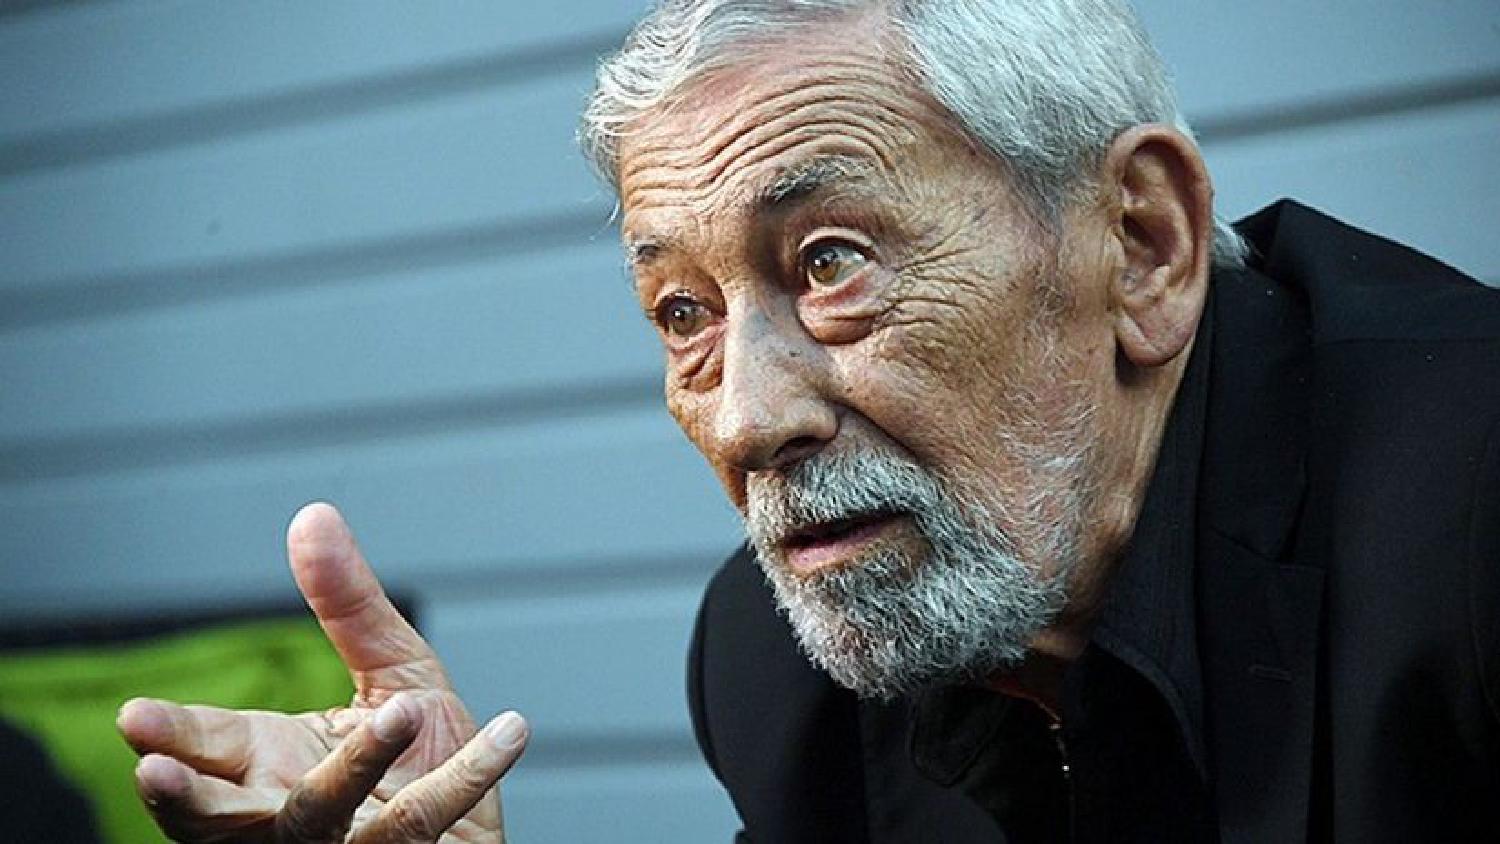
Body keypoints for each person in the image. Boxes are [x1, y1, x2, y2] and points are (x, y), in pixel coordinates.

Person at [120, 0, 1500, 841]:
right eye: (682, 312)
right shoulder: (780, 674)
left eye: (832, 261)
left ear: (1139, 245)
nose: (745, 420)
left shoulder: (1472, 516)